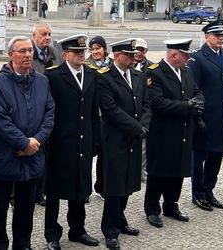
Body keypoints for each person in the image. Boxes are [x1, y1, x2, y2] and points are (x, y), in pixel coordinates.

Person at [0, 35, 54, 250]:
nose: (28, 55)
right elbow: (1, 121)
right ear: (11, 55)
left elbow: (49, 113)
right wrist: (23, 143)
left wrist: (35, 141)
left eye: (30, 51)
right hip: (4, 157)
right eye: (22, 51)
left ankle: (22, 244)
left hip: (32, 157)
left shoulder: (42, 81)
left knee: (26, 208)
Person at [44, 34, 100, 250]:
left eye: (82, 52)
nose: (81, 55)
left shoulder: (92, 74)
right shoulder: (54, 76)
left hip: (83, 143)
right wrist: (48, 142)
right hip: (61, 143)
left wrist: (95, 140)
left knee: (80, 188)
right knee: (55, 192)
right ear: (64, 54)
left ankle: (77, 229)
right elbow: (49, 111)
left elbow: (94, 112)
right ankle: (52, 234)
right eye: (76, 52)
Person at [144, 39, 204, 228]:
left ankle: (171, 204)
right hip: (163, 132)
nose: (188, 59)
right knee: (158, 172)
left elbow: (197, 91)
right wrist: (187, 105)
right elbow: (157, 103)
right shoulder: (155, 72)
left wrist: (199, 102)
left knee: (178, 170)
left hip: (183, 130)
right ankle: (152, 209)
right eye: (185, 55)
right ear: (174, 55)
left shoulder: (186, 71)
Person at [98, 38, 151, 250]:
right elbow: (111, 110)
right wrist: (136, 128)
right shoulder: (105, 78)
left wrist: (143, 126)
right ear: (117, 56)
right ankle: (109, 229)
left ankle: (120, 218)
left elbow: (147, 105)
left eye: (134, 55)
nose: (132, 58)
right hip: (115, 139)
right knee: (114, 185)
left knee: (128, 181)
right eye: (128, 55)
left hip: (135, 137)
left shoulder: (138, 76)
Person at [188, 19, 223, 212]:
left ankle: (209, 191)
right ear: (206, 37)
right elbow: (194, 89)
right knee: (199, 157)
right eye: (217, 35)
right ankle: (198, 194)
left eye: (222, 35)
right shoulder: (198, 58)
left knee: (217, 157)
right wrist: (197, 117)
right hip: (205, 118)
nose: (220, 38)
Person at [31, 22, 62, 207]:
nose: (47, 37)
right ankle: (27, 192)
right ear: (34, 35)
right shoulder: (29, 53)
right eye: (43, 34)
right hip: (33, 111)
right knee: (33, 150)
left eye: (49, 34)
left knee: (47, 154)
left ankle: (41, 191)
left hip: (50, 110)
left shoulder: (53, 53)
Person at [84, 35, 114, 202]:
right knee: (87, 154)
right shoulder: (86, 65)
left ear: (104, 49)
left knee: (105, 153)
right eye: (93, 49)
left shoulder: (111, 65)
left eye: (98, 48)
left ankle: (101, 187)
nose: (95, 51)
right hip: (91, 115)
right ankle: (85, 189)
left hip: (107, 117)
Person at [133, 38, 153, 183]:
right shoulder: (128, 65)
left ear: (146, 51)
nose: (139, 53)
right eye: (137, 49)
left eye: (142, 50)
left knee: (145, 146)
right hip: (131, 110)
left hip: (146, 110)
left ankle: (141, 171)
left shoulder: (152, 67)